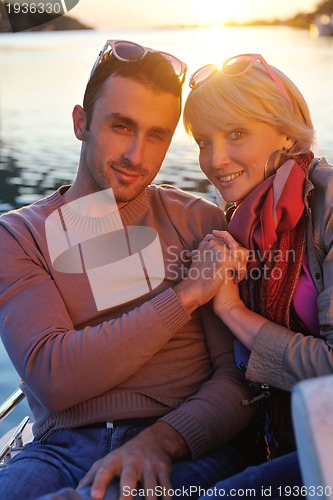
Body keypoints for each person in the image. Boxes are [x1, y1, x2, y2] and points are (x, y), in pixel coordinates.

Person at [0, 41, 254, 499]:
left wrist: (162, 440)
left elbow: (236, 380)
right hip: (59, 449)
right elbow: (54, 377)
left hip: (182, 443)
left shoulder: (197, 220)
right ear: (81, 123)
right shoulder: (20, 235)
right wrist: (185, 296)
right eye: (121, 126)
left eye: (157, 135)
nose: (137, 156)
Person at [182, 53, 333, 497]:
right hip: (276, 434)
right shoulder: (241, 224)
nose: (215, 159)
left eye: (235, 134)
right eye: (203, 140)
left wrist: (230, 308)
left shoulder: (326, 206)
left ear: (287, 131)